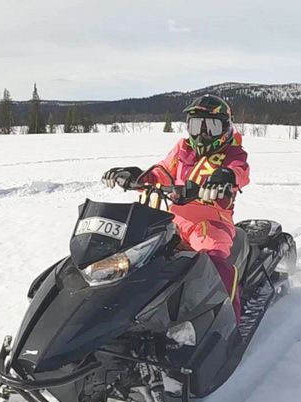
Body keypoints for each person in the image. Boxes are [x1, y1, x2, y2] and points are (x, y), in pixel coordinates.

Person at [102, 94, 249, 322]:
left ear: (225, 127)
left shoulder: (232, 152)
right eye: (195, 125)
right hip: (172, 220)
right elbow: (163, 171)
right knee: (136, 256)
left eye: (210, 126)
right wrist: (138, 177)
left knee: (214, 264)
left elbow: (239, 170)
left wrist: (225, 176)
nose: (202, 133)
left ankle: (230, 320)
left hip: (210, 224)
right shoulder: (182, 148)